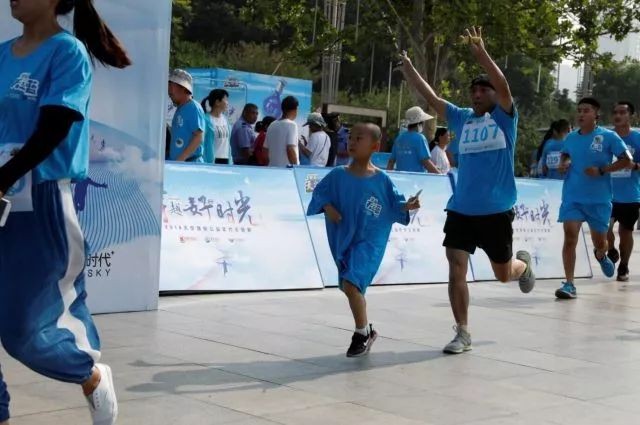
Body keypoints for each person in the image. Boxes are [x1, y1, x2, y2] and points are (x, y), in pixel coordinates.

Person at [0, 0, 132, 423]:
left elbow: (55, 125)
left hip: (39, 200)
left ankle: (88, 372)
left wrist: (4, 176)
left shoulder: (66, 51)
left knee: (23, 332)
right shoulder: (2, 54)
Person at [401, 27, 536, 355]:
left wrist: (481, 53)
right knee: (456, 267)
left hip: (496, 210)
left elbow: (504, 85)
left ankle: (522, 266)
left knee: (503, 274)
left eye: (483, 90)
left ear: (494, 95)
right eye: (473, 90)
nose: (476, 94)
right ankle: (462, 332)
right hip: (461, 208)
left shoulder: (505, 119)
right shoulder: (461, 119)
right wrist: (410, 70)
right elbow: (432, 99)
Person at [307, 123, 421, 357]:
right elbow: (319, 193)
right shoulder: (338, 175)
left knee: (351, 284)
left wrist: (408, 206)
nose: (352, 142)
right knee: (350, 286)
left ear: (375, 146)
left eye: (359, 138)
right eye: (350, 137)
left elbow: (396, 206)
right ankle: (367, 329)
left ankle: (361, 334)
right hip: (345, 239)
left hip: (370, 242)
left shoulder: (382, 180)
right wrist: (328, 207)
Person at [555, 98, 631, 299]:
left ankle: (601, 254)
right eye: (579, 110)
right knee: (570, 236)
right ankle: (569, 284)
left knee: (600, 242)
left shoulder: (609, 136)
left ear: (596, 114)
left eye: (586, 110)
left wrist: (602, 170)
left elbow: (626, 160)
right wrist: (564, 163)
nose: (581, 114)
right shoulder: (571, 137)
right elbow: (565, 154)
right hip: (572, 196)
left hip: (598, 200)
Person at [606, 101, 640, 282]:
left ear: (631, 116)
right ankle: (611, 249)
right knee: (604, 229)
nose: (618, 116)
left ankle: (624, 265)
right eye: (615, 112)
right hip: (605, 194)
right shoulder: (606, 138)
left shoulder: (637, 138)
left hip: (630, 196)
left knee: (625, 233)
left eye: (622, 112)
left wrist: (634, 166)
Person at [387, 107, 440, 173]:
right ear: (419, 123)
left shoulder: (399, 138)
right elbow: (426, 162)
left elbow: (391, 162)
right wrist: (441, 175)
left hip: (400, 178)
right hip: (416, 178)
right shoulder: (420, 138)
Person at [168, 69, 206, 162]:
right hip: (181, 164)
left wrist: (181, 159)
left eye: (171, 86)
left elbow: (198, 137)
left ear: (183, 88)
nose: (169, 91)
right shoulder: (181, 108)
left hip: (190, 164)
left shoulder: (193, 107)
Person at [264, 96, 300, 167]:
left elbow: (265, 150)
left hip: (272, 169)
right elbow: (290, 149)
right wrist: (295, 168)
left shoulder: (272, 125)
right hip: (286, 170)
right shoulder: (292, 125)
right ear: (295, 110)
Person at [201, 89, 232, 164]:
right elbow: (201, 143)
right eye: (225, 100)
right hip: (211, 161)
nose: (227, 103)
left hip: (226, 160)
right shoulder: (205, 120)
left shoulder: (226, 119)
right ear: (217, 102)